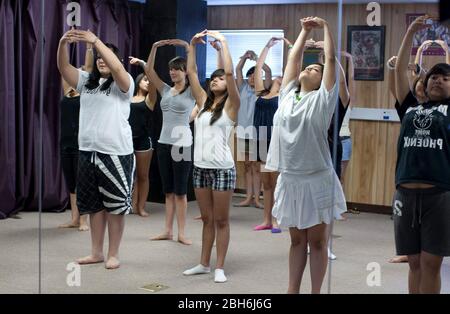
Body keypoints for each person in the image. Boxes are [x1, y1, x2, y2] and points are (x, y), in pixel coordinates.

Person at [265, 17, 346, 294]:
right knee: (297, 241)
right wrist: (302, 30)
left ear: (321, 79)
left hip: (317, 178)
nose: (308, 69)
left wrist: (325, 27)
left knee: (318, 243)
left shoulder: (323, 99)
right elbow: (293, 60)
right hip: (290, 179)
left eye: (315, 68)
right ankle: (292, 290)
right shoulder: (286, 95)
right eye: (308, 66)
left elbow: (331, 61)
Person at [57, 29, 135, 270]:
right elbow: (64, 68)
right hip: (87, 152)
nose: (101, 59)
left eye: (107, 56)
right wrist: (62, 44)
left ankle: (113, 253)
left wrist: (96, 42)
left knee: (115, 207)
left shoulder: (124, 84)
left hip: (116, 153)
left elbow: (119, 70)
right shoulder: (86, 82)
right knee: (94, 205)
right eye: (98, 57)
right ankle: (96, 252)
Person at [393, 15, 450, 294]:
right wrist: (412, 34)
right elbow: (399, 72)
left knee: (430, 262)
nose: (438, 81)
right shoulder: (411, 109)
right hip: (405, 193)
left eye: (445, 78)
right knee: (414, 262)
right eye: (433, 77)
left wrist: (444, 50)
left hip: (438, 195)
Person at [183, 30, 240, 283]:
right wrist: (192, 47)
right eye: (214, 78)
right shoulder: (204, 102)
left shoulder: (232, 104)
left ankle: (219, 267)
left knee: (221, 220)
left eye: (220, 79)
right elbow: (192, 74)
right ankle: (204, 263)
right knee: (206, 219)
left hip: (222, 169)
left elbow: (229, 73)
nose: (216, 80)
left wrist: (224, 42)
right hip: (200, 168)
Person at [145, 39, 196, 245]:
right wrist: (155, 47)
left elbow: (193, 69)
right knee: (168, 190)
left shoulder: (192, 91)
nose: (173, 73)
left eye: (177, 70)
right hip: (164, 142)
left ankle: (181, 232)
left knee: (181, 191)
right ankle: (167, 230)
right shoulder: (165, 89)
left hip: (182, 143)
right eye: (171, 70)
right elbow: (148, 70)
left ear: (185, 72)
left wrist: (187, 47)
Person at [58, 43, 94, 232]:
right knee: (71, 182)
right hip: (65, 143)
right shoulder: (67, 92)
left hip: (81, 143)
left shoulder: (85, 93)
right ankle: (74, 218)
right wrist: (64, 44)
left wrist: (89, 48)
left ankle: (84, 220)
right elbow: (64, 68)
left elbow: (88, 68)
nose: (76, 74)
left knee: (82, 182)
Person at [252, 37, 284, 233]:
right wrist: (267, 47)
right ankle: (266, 219)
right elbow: (258, 70)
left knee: (277, 181)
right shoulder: (261, 93)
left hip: (276, 140)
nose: (279, 77)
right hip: (261, 139)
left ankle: (277, 218)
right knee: (266, 182)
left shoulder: (285, 96)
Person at [234, 50, 271, 209]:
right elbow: (237, 70)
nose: (251, 78)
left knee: (258, 166)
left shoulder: (263, 90)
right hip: (243, 132)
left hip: (259, 133)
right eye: (250, 75)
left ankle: (258, 198)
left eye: (255, 76)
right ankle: (248, 197)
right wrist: (243, 58)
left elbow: (268, 71)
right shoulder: (241, 87)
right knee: (247, 165)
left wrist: (257, 60)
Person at [129, 57, 158, 217]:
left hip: (143, 140)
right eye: (145, 80)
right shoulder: (128, 98)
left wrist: (142, 64)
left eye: (149, 81)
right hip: (126, 139)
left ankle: (141, 206)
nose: (147, 82)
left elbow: (153, 81)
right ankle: (132, 204)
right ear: (138, 81)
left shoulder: (150, 99)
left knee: (142, 175)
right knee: (130, 175)